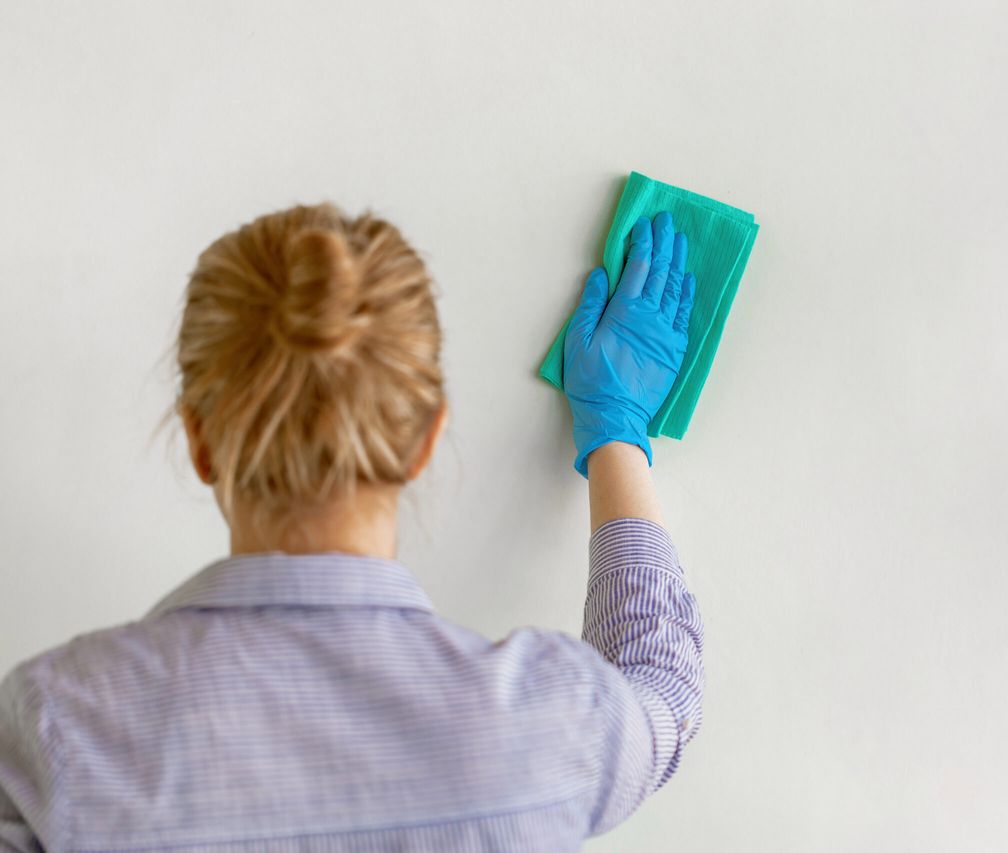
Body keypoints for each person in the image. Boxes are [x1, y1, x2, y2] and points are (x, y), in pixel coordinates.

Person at [0, 202, 705, 851]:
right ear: (426, 440)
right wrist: (616, 426)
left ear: (200, 441)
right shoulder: (546, 724)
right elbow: (662, 686)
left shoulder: (60, 723)